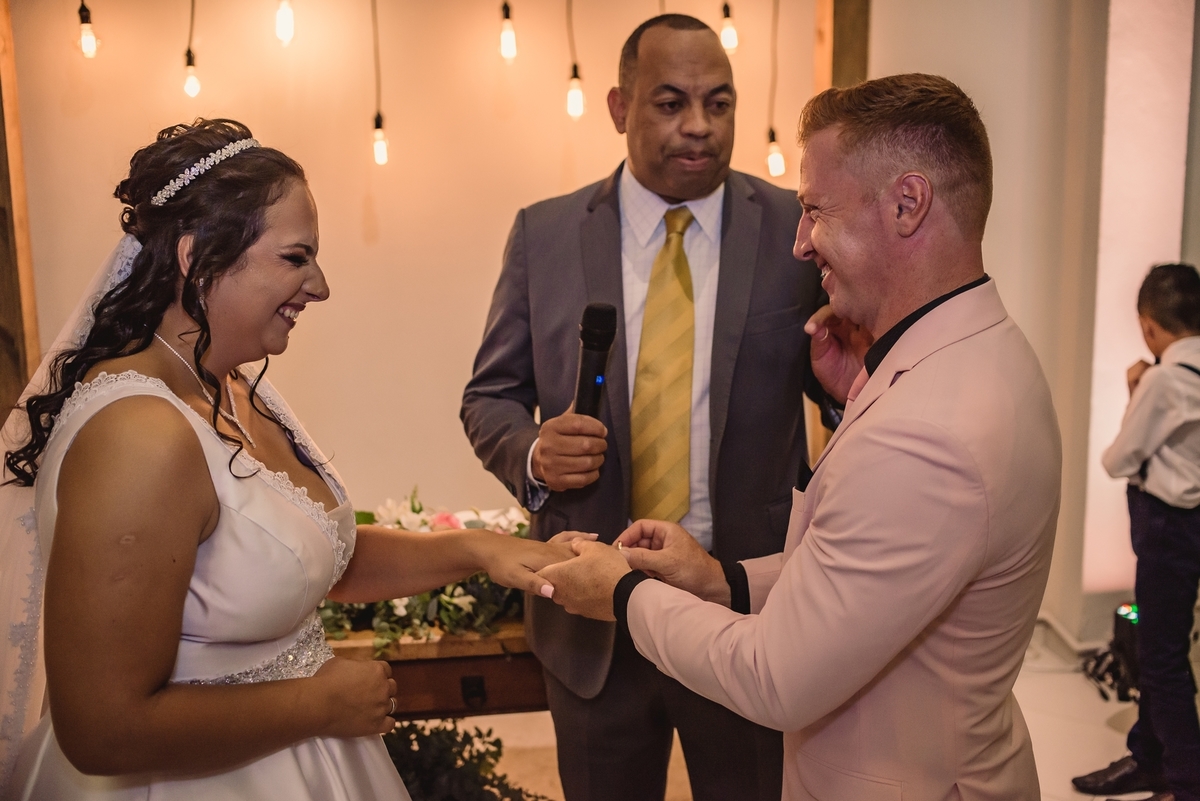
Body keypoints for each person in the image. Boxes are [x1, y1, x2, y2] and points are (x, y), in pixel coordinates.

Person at [0, 118, 567, 800]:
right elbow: (100, 727)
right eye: (295, 258)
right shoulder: (139, 435)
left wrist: (480, 549)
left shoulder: (229, 387)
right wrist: (317, 705)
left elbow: (308, 557)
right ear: (196, 256)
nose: (320, 285)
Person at [538, 73, 1063, 800]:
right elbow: (872, 570)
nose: (799, 242)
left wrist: (623, 594)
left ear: (907, 204)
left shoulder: (927, 430)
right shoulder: (973, 352)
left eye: (815, 210)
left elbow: (775, 676)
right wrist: (725, 579)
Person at [460, 14, 834, 801]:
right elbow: (490, 394)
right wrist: (532, 451)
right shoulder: (547, 234)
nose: (699, 126)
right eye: (670, 103)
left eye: (720, 103)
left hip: (738, 604)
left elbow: (838, 383)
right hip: (592, 613)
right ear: (619, 107)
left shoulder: (794, 229)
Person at [1072, 263, 1200, 801]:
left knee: (1162, 658)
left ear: (1149, 327)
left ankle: (1185, 781)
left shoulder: (1165, 379)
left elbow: (1118, 459)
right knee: (1161, 645)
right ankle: (1148, 756)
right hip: (1193, 524)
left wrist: (1132, 390)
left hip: (1167, 528)